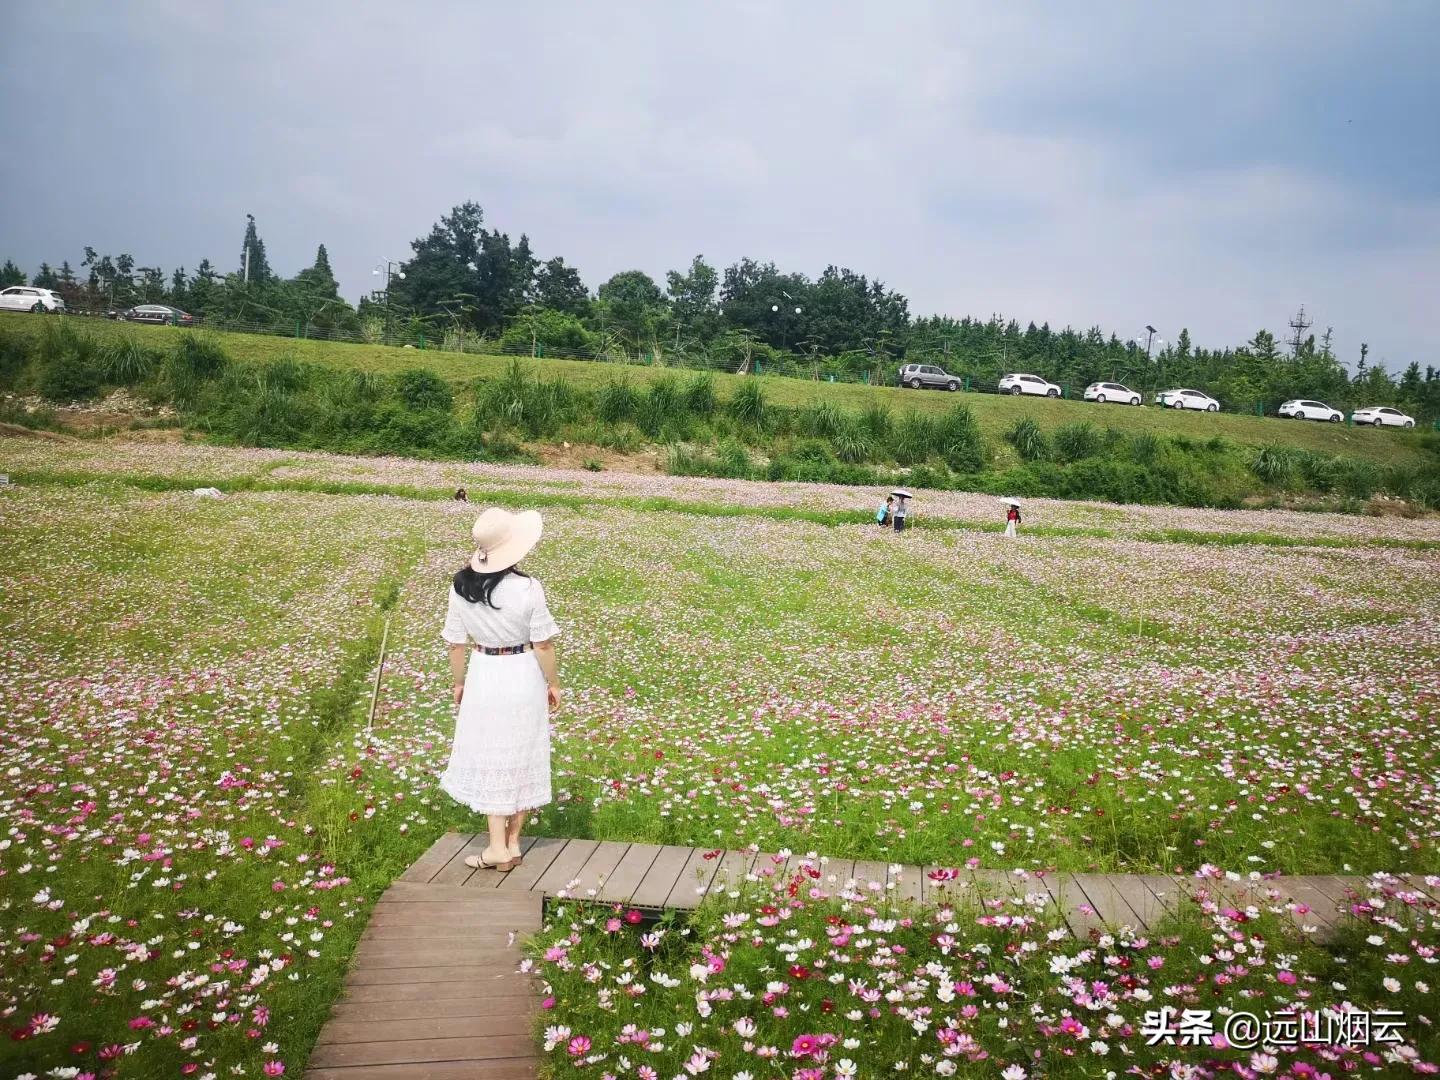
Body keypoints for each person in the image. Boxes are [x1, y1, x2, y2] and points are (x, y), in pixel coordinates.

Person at [440, 507, 561, 872]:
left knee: (493, 754)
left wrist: (459, 682)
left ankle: (498, 846)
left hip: (485, 673)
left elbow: (455, 644)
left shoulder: (460, 587)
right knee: (522, 752)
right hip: (522, 672)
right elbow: (543, 643)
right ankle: (510, 843)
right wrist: (553, 683)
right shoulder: (528, 587)